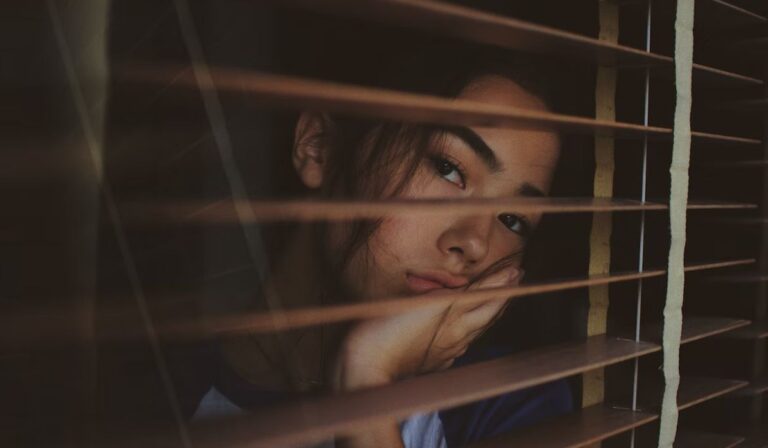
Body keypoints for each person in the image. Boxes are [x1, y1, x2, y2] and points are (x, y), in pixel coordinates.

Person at [190, 45, 573, 447]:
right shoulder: (158, 390)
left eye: (513, 220)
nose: (476, 243)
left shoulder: (510, 407)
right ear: (319, 148)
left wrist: (365, 376)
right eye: (449, 169)